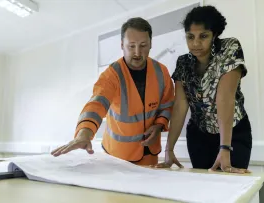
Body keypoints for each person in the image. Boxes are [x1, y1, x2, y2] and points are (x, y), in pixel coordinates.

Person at [51, 17, 174, 166]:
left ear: (150, 44)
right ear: (122, 45)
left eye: (143, 45)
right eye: (131, 46)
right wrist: (84, 134)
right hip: (118, 156)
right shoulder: (111, 75)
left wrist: (159, 125)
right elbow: (96, 104)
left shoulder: (161, 72)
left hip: (150, 152)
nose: (137, 52)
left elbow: (167, 104)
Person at [155, 5, 252, 173]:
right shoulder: (183, 63)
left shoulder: (229, 48)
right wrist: (169, 149)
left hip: (233, 133)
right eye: (190, 37)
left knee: (231, 187)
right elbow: (180, 105)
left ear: (214, 34)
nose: (196, 43)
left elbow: (225, 97)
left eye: (203, 36)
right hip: (199, 135)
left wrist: (225, 147)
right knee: (204, 188)